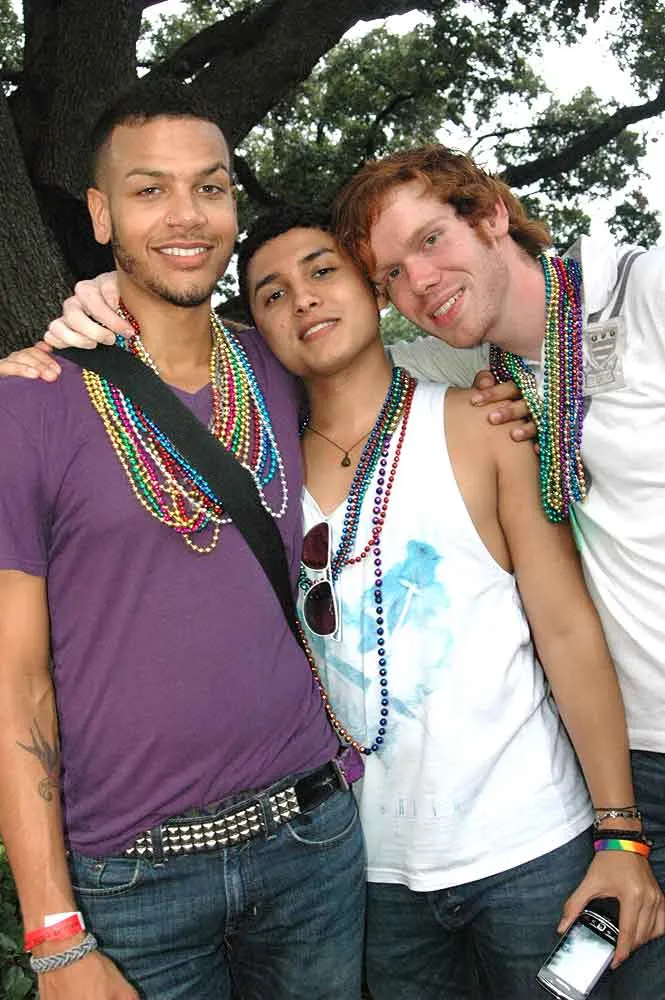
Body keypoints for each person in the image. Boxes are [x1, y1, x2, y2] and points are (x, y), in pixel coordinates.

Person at [18, 205, 663, 999]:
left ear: (373, 289)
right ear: (255, 330)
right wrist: (77, 326)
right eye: (272, 294)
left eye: (324, 271)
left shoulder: (478, 419)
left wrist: (619, 833)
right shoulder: (260, 465)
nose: (304, 300)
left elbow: (566, 630)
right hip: (368, 870)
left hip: (533, 844)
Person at [0, 85, 366, 1000]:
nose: (186, 216)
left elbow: (395, 384)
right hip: (134, 881)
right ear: (100, 215)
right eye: (149, 190)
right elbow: (14, 687)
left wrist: (507, 400)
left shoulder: (282, 365)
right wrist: (53, 935)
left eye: (209, 187)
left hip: (312, 840)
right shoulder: (27, 403)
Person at [330, 144, 665, 999]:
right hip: (635, 761)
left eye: (431, 240)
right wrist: (112, 310)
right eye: (391, 275)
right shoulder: (465, 371)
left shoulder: (644, 294)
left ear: (489, 215)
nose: (419, 284)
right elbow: (309, 352)